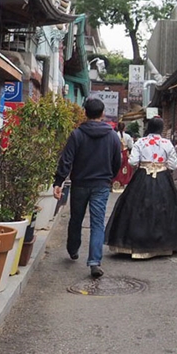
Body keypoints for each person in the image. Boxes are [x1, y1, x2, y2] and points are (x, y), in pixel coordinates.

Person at [53, 97, 121, 278]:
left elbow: (66, 160)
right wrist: (109, 177)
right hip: (101, 185)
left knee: (76, 217)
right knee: (97, 222)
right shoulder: (112, 136)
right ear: (103, 113)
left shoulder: (77, 134)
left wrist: (58, 182)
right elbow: (117, 162)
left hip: (80, 184)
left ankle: (73, 249)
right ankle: (94, 262)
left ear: (85, 113)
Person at [105, 117, 177, 258]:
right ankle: (164, 245)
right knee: (165, 208)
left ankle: (138, 243)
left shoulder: (141, 142)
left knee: (138, 208)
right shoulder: (167, 143)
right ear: (161, 129)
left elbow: (132, 162)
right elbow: (174, 165)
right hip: (163, 178)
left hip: (143, 176)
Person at [112, 121, 135, 193]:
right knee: (125, 168)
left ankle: (116, 183)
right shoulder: (128, 136)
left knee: (117, 168)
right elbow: (131, 146)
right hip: (125, 153)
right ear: (124, 128)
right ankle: (124, 183)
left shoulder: (114, 135)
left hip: (117, 153)